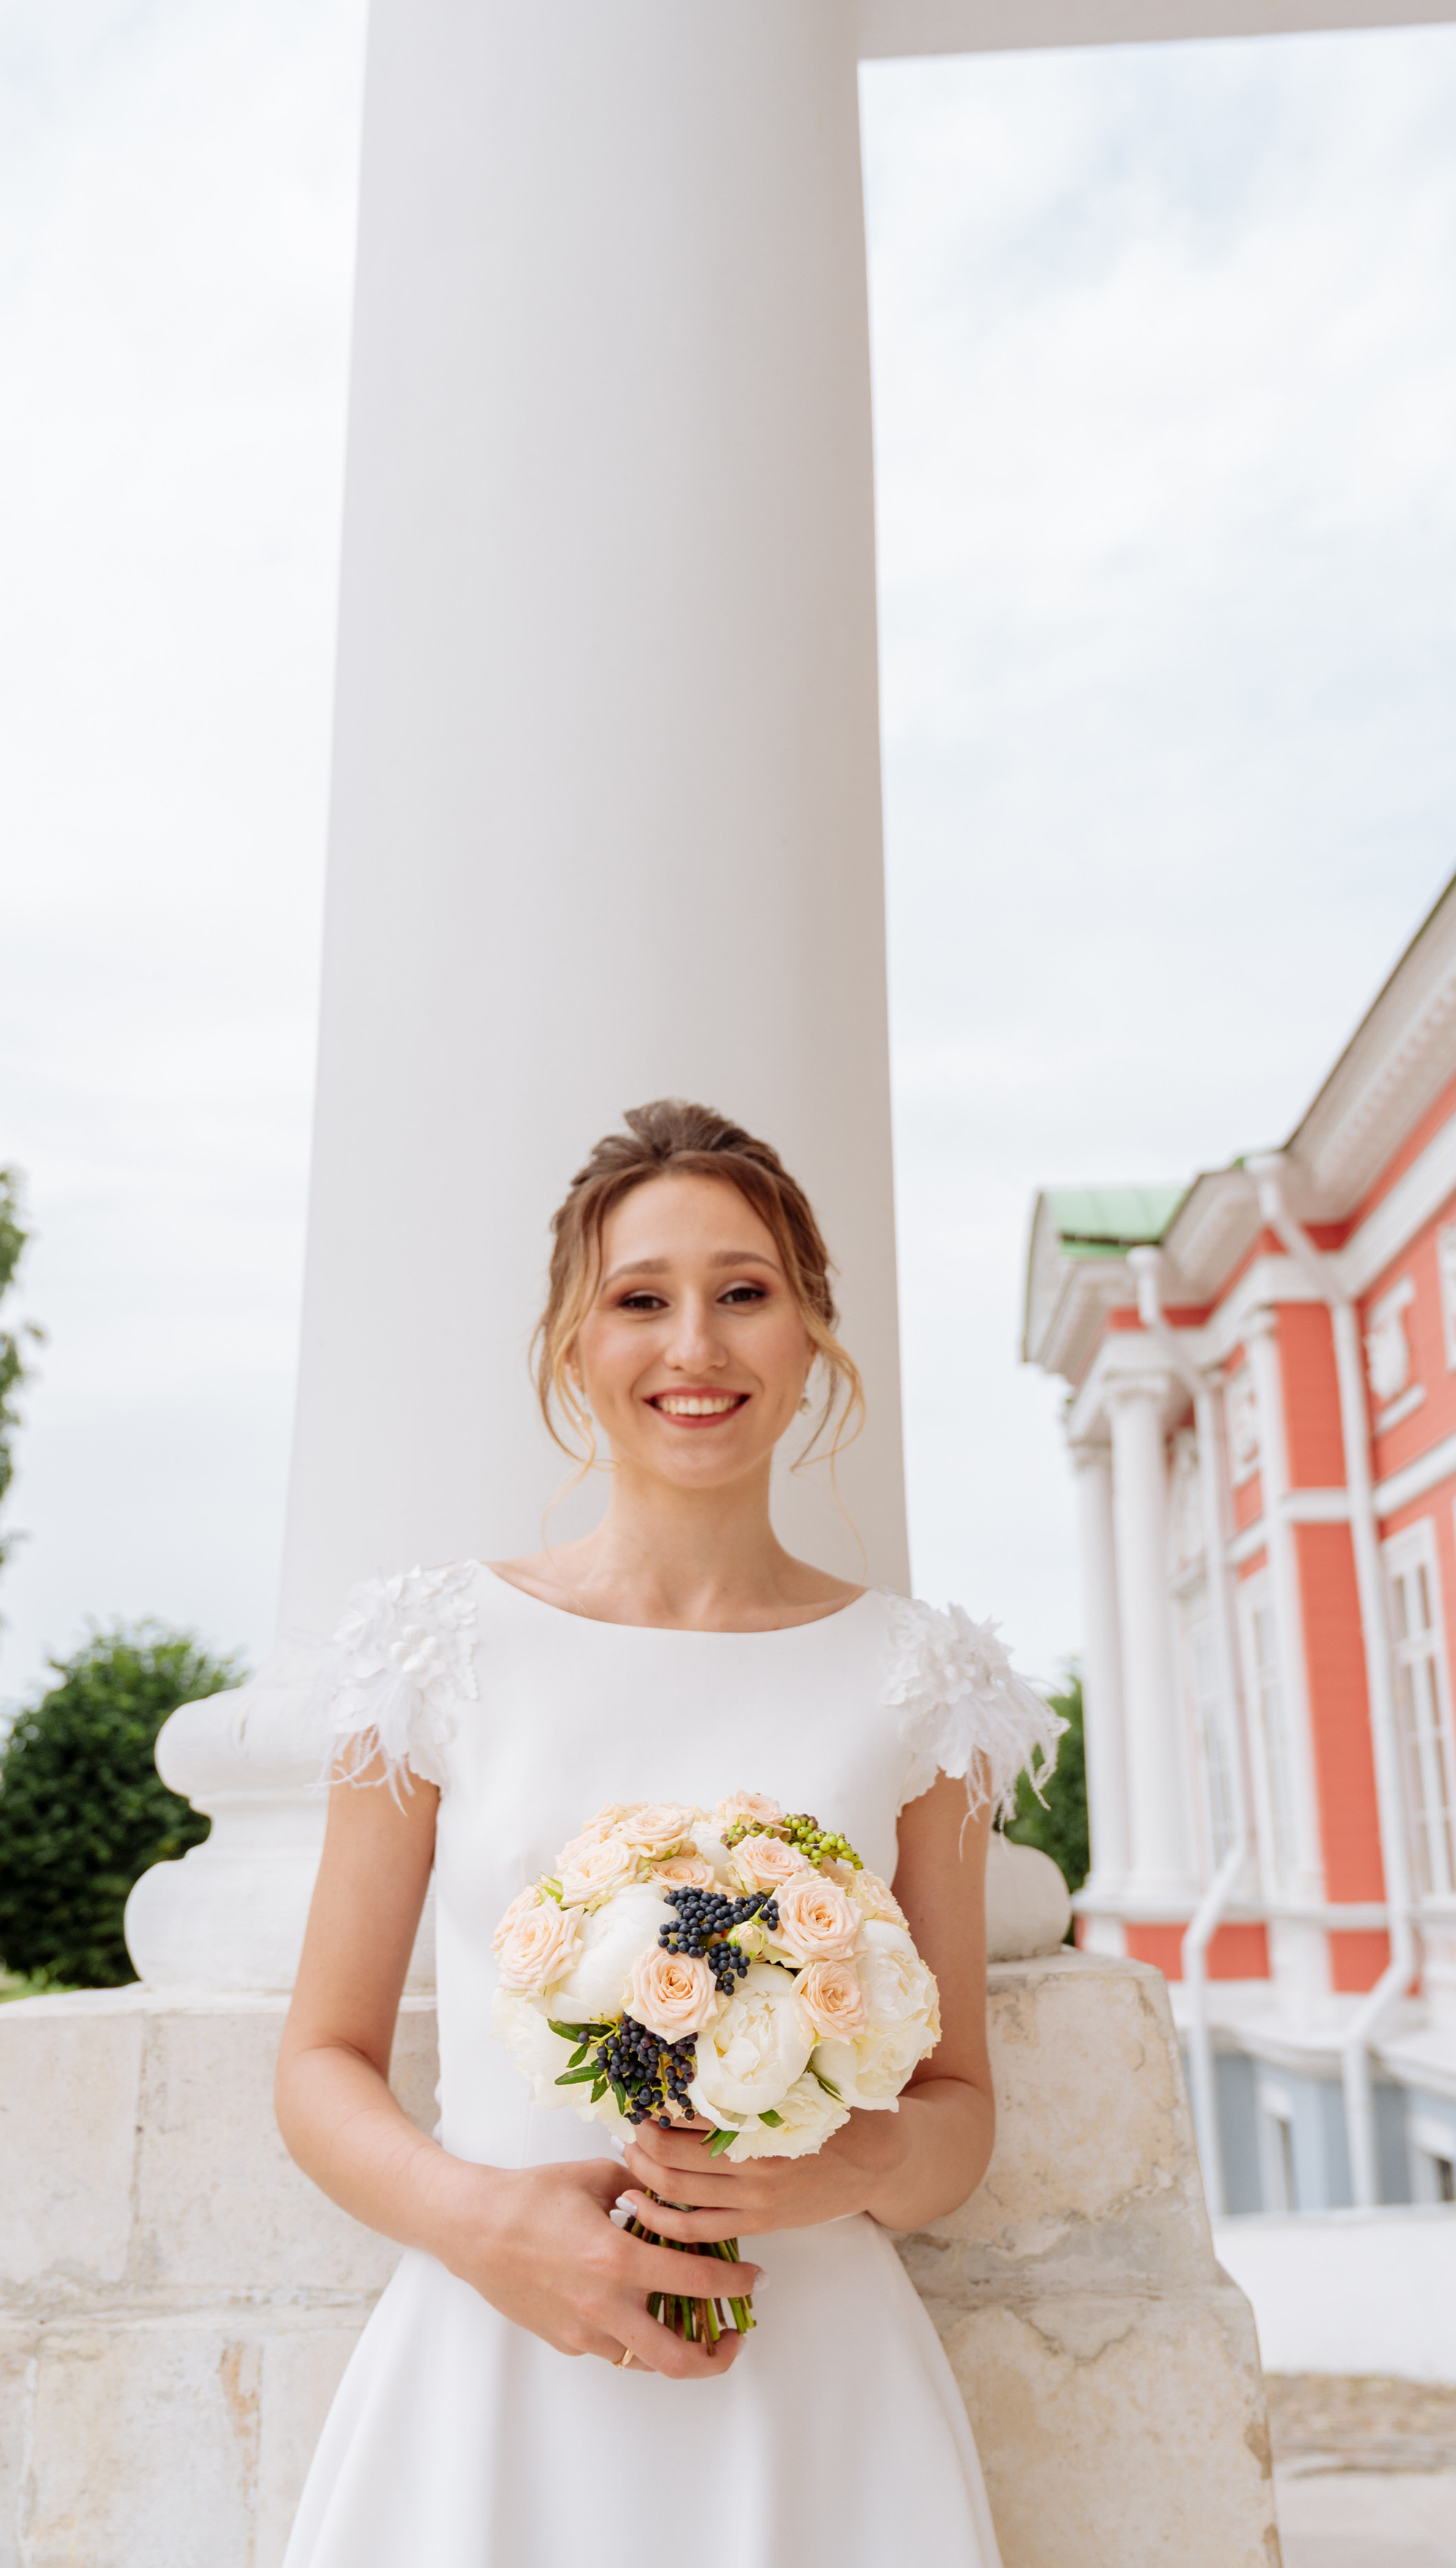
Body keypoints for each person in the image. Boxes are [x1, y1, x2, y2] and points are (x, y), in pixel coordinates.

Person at [275, 1100, 1059, 2567]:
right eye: (640, 1299)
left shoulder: (920, 1682)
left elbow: (955, 2106)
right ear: (574, 1344)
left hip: (812, 2396)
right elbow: (319, 2062)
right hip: (496, 2366)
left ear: (809, 1332)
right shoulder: (431, 1649)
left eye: (741, 1292)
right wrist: (485, 2225)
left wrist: (850, 2165)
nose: (691, 1344)